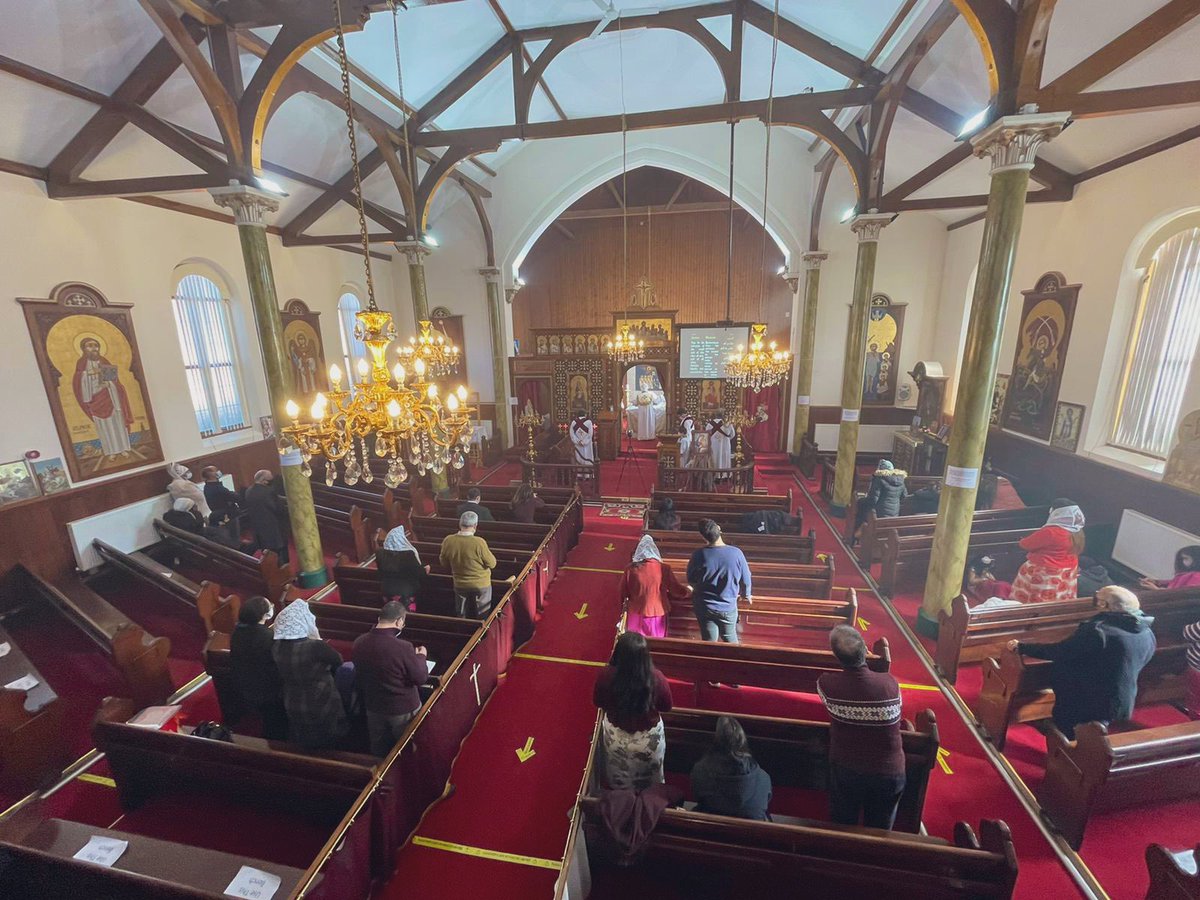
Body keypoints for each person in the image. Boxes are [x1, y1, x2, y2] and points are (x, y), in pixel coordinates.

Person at [1007, 586, 1156, 738]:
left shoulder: (1098, 631)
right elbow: (1145, 657)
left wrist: (1023, 647)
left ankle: (1064, 756)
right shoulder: (1146, 631)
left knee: (1068, 734)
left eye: (1098, 598)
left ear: (1105, 605)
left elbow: (1062, 651)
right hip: (1119, 697)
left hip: (1084, 698)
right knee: (1094, 730)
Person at [817, 625, 906, 830]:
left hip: (847, 767)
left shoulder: (827, 684)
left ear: (837, 657)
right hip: (890, 770)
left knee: (843, 825)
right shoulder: (890, 684)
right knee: (881, 830)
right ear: (866, 650)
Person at [592, 632, 674, 790]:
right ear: (645, 656)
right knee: (652, 779)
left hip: (616, 737)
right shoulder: (656, 678)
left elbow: (597, 702)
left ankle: (622, 801)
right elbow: (667, 706)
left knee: (619, 777)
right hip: (648, 739)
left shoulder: (606, 675)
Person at [352, 601, 430, 756]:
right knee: (407, 747)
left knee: (379, 747)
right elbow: (420, 677)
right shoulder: (403, 647)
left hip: (374, 706)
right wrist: (421, 656)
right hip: (402, 708)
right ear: (399, 621)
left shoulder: (359, 642)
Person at [272, 599, 347, 750]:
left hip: (293, 699)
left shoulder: (277, 647)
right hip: (320, 699)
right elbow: (338, 660)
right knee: (329, 740)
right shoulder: (315, 646)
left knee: (305, 739)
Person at [689, 715, 772, 821]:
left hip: (710, 831)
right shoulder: (763, 778)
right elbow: (764, 801)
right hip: (753, 834)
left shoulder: (700, 772)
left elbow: (697, 795)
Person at [229, 596, 287, 740]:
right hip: (269, 690)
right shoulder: (266, 636)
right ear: (264, 615)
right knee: (275, 723)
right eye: (270, 606)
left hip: (247, 686)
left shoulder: (237, 633)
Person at [687, 519, 752, 644]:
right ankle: (734, 661)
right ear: (719, 529)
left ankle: (711, 661)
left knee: (709, 641)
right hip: (727, 605)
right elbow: (746, 578)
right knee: (730, 639)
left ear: (703, 537)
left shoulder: (698, 555)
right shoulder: (736, 553)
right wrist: (746, 595)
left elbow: (691, 579)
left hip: (704, 605)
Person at [1010, 499, 1086, 604]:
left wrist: (1022, 540)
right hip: (1068, 571)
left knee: (1038, 601)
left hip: (1046, 572)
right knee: (1059, 599)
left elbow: (1025, 544)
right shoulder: (1077, 532)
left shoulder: (1051, 532)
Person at [621, 534, 691, 638]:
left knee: (634, 642)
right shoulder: (664, 568)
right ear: (654, 550)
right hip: (657, 613)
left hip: (635, 613)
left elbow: (623, 591)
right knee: (656, 641)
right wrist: (687, 591)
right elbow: (675, 589)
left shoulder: (630, 569)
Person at [439, 511, 498, 618]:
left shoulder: (448, 540)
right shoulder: (479, 542)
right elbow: (492, 563)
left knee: (461, 612)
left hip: (460, 583)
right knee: (482, 612)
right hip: (481, 584)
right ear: (475, 526)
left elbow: (444, 563)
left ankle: (462, 630)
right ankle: (481, 630)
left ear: (459, 524)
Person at [376, 525, 429, 607]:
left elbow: (380, 573)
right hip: (406, 592)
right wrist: (425, 570)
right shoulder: (408, 555)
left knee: (392, 614)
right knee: (404, 615)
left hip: (386, 590)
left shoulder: (381, 554)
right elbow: (419, 574)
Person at [246, 469, 289, 564]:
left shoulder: (248, 491)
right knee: (279, 553)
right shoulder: (268, 492)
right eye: (270, 479)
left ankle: (271, 567)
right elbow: (278, 509)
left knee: (266, 552)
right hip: (273, 527)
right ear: (264, 481)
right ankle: (284, 568)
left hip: (257, 527)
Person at [854, 459, 908, 533]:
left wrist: (861, 501)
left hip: (879, 515)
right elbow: (904, 496)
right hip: (894, 515)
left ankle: (856, 536)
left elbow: (873, 500)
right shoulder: (900, 480)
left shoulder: (879, 479)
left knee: (861, 511)